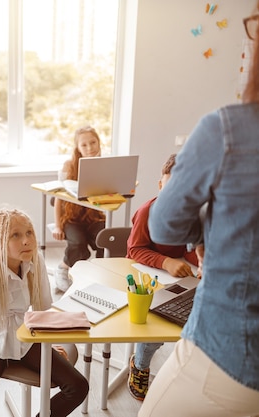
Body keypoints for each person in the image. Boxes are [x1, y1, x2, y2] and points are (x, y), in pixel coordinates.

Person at [138, 6, 259, 416]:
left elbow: (166, 223)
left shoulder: (229, 130)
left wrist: (203, 231)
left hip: (231, 355)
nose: (245, 45)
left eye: (253, 27)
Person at [0, 208, 88, 417]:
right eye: (15, 235)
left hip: (27, 342)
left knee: (78, 386)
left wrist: (50, 345)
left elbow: (43, 307)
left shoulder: (36, 261)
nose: (26, 240)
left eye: (29, 233)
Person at [125, 153, 199, 401]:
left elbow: (195, 248)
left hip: (179, 279)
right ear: (160, 185)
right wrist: (166, 262)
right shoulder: (148, 211)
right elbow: (134, 250)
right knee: (155, 327)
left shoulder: (195, 216)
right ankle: (140, 364)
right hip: (147, 277)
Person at [52, 126, 106, 292]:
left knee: (104, 239)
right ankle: (63, 267)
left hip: (94, 216)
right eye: (84, 145)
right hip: (72, 218)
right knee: (78, 243)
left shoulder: (104, 164)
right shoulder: (69, 166)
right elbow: (58, 198)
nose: (90, 148)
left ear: (98, 142)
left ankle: (101, 273)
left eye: (93, 142)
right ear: (77, 147)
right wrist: (58, 226)